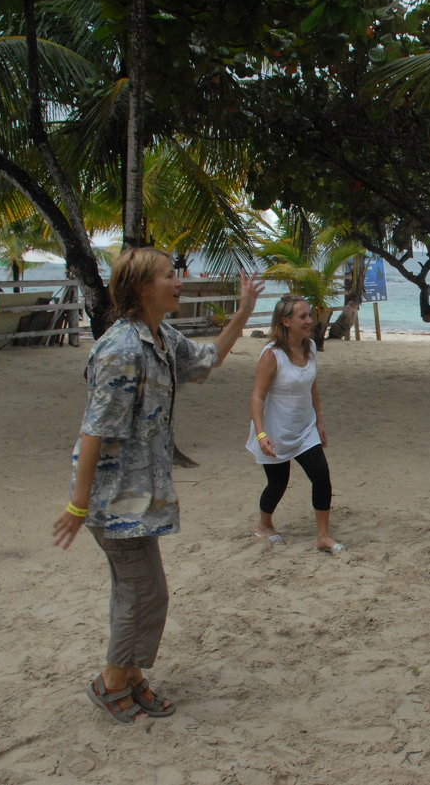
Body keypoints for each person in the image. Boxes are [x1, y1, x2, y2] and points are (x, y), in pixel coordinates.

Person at [52, 247, 263, 724]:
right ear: (144, 288)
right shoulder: (121, 349)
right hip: (114, 499)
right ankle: (111, 681)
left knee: (140, 590)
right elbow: (94, 429)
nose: (179, 280)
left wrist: (245, 310)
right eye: (171, 275)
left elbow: (207, 361)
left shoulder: (161, 336)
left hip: (142, 493)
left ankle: (129, 676)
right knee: (144, 591)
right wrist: (79, 506)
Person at [246, 295, 343, 554]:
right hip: (276, 429)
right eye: (303, 316)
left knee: (321, 475)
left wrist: (320, 421)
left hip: (305, 427)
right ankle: (265, 524)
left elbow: (312, 387)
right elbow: (257, 396)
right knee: (278, 483)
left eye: (310, 315)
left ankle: (323, 535)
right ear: (286, 321)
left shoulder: (310, 347)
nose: (310, 320)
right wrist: (261, 433)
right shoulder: (272, 355)